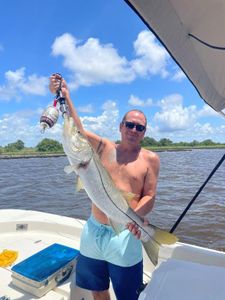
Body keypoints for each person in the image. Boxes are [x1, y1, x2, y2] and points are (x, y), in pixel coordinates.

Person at [49, 74, 160, 300]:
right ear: (121, 126)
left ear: (144, 132)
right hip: (93, 231)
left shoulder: (151, 159)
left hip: (126, 234)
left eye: (140, 127)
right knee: (97, 291)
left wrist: (136, 217)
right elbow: (77, 131)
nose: (134, 130)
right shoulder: (103, 147)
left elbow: (149, 195)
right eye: (130, 124)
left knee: (128, 296)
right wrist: (65, 96)